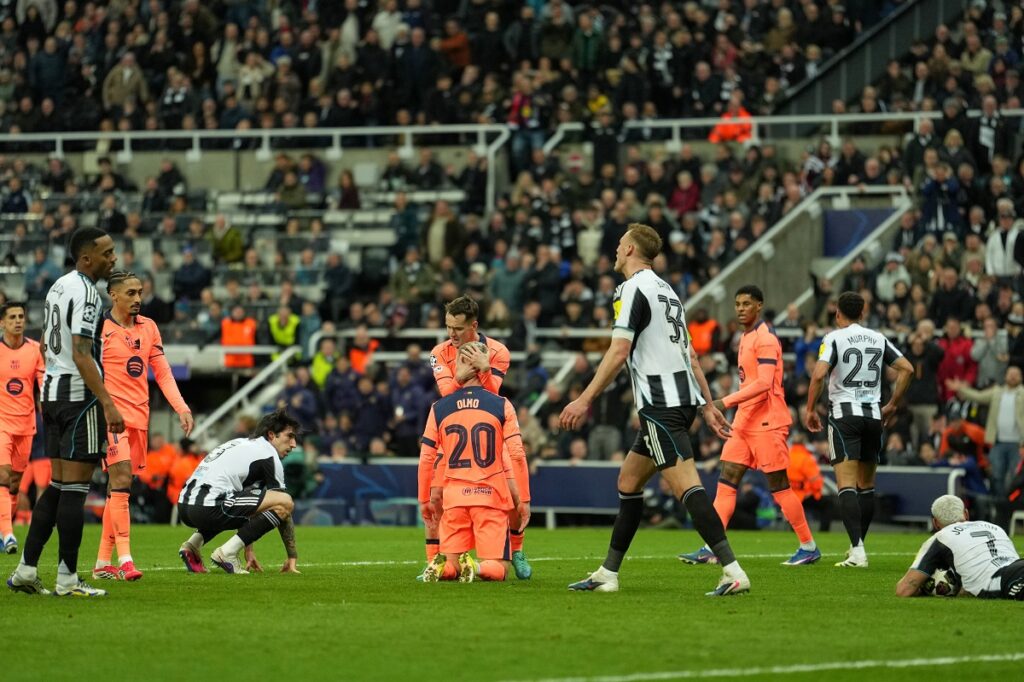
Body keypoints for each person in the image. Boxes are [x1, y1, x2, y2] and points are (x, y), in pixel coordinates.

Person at [560, 223, 749, 596]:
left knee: (687, 486)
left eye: (619, 245)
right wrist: (708, 406)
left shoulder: (632, 289)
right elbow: (691, 355)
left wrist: (584, 399)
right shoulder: (668, 292)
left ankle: (733, 570)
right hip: (679, 401)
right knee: (628, 482)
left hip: (662, 405)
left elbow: (618, 351)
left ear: (630, 249)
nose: (615, 251)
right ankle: (607, 574)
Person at [8, 227, 124, 598]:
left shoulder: (58, 286)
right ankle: (68, 579)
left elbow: (44, 343)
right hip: (79, 399)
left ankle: (26, 570)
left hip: (52, 395)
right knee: (74, 490)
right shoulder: (88, 293)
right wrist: (106, 401)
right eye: (107, 253)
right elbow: (81, 351)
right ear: (87, 258)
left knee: (56, 487)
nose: (114, 258)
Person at [679, 286, 820, 566]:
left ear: (759, 305)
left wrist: (725, 402)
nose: (741, 308)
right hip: (745, 421)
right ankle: (712, 546)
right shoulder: (744, 337)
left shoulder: (765, 339)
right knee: (727, 479)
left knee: (779, 485)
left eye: (747, 303)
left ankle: (808, 545)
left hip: (768, 421)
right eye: (738, 304)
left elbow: (764, 383)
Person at [92, 271, 194, 582]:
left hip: (139, 418)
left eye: (140, 293)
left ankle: (100, 564)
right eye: (131, 293)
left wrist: (181, 407)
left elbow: (161, 372)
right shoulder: (100, 329)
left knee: (119, 489)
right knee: (121, 479)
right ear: (114, 295)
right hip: (111, 418)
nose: (137, 299)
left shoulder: (149, 327)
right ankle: (125, 559)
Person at [422, 296, 532, 579]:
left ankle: (516, 550)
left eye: (458, 329)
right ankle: (436, 562)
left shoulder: (498, 351)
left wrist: (482, 369)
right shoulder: (438, 352)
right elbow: (448, 394)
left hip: (489, 429)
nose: (451, 335)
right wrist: (466, 376)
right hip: (454, 427)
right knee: (434, 497)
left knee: (516, 495)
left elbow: (491, 397)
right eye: (448, 327)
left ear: (474, 325)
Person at [804, 291, 914, 568]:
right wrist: (891, 405)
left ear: (838, 313)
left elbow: (818, 375)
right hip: (873, 416)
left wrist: (808, 409)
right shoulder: (878, 338)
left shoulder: (833, 338)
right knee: (866, 486)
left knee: (846, 485)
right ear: (863, 313)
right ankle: (858, 546)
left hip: (845, 415)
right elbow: (907, 369)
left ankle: (857, 550)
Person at [176, 410, 301, 576]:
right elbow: (282, 505)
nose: (294, 444)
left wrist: (248, 548)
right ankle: (226, 553)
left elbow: (250, 503)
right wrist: (292, 556)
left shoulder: (242, 444)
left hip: (185, 506)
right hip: (210, 507)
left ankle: (192, 546)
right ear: (272, 435)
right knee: (285, 502)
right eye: (289, 437)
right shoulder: (269, 455)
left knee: (238, 502)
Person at [896, 494, 1024, 600]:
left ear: (935, 522)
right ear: (966, 514)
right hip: (1017, 567)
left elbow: (904, 590)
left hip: (1006, 580)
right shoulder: (994, 527)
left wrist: (925, 590)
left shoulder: (941, 537)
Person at [0, 301, 45, 553]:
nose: (18, 320)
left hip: (26, 425)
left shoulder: (35, 350)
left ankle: (4, 527)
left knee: (15, 483)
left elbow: (43, 381)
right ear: (2, 323)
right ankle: (7, 534)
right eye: (12, 317)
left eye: (21, 316)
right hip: (2, 424)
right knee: (3, 474)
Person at [947, 366, 1024, 499]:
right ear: (1005, 376)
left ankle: (1012, 505)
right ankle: (999, 505)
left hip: (1018, 444)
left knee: (1015, 476)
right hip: (997, 442)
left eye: (1015, 374)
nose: (1012, 377)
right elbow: (978, 396)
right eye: (1010, 374)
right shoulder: (997, 392)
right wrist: (960, 388)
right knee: (996, 475)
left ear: (1021, 377)